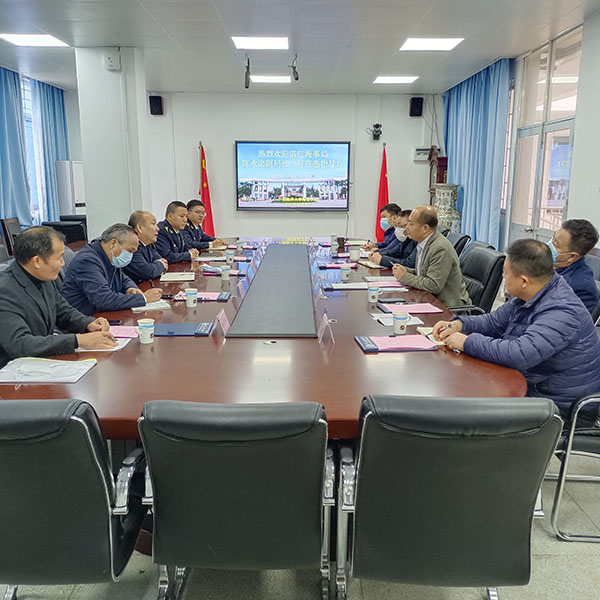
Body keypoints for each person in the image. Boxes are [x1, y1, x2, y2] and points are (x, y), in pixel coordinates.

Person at [433, 239, 600, 419]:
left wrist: (466, 342)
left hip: (557, 409)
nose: (503, 276)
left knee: (463, 412)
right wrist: (461, 324)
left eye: (505, 273)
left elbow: (519, 354)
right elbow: (493, 322)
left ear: (523, 281)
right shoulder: (535, 292)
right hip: (530, 387)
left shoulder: (561, 311)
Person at [0, 226, 117, 368]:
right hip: (11, 371)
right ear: (37, 261)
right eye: (59, 257)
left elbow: (63, 311)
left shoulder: (42, 277)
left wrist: (88, 323)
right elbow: (21, 344)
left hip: (41, 364)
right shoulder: (4, 291)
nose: (63, 263)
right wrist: (77, 341)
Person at [61, 223, 163, 316]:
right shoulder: (87, 261)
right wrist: (143, 298)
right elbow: (104, 299)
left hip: (100, 316)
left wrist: (130, 287)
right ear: (113, 244)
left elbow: (122, 276)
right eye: (130, 251)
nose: (130, 256)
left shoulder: (108, 255)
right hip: (83, 320)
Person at [392, 206, 470, 307]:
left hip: (448, 307)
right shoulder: (424, 242)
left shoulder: (440, 248)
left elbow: (434, 285)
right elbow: (424, 272)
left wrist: (404, 276)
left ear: (425, 228)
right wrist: (406, 271)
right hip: (429, 300)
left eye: (411, 224)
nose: (406, 228)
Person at [548, 219, 599, 313]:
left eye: (555, 244)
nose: (549, 245)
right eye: (553, 238)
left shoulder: (582, 288)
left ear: (572, 257)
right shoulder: (545, 262)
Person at [125, 210, 169, 284]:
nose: (158, 228)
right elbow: (147, 272)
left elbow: (163, 261)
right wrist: (159, 265)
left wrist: (157, 265)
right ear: (139, 227)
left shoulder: (147, 244)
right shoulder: (131, 246)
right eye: (153, 224)